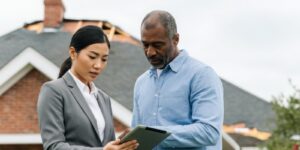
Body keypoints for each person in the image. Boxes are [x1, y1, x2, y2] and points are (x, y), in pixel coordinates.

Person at [131, 10, 224, 150]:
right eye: (145, 45)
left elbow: (209, 132)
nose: (150, 52)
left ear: (175, 39)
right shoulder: (141, 83)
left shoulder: (202, 75)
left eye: (157, 45)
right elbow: (137, 139)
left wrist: (154, 135)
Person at [38, 25, 138, 150]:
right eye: (92, 57)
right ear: (73, 53)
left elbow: (106, 144)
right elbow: (53, 146)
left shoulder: (103, 98)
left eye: (104, 59)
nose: (98, 65)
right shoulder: (53, 91)